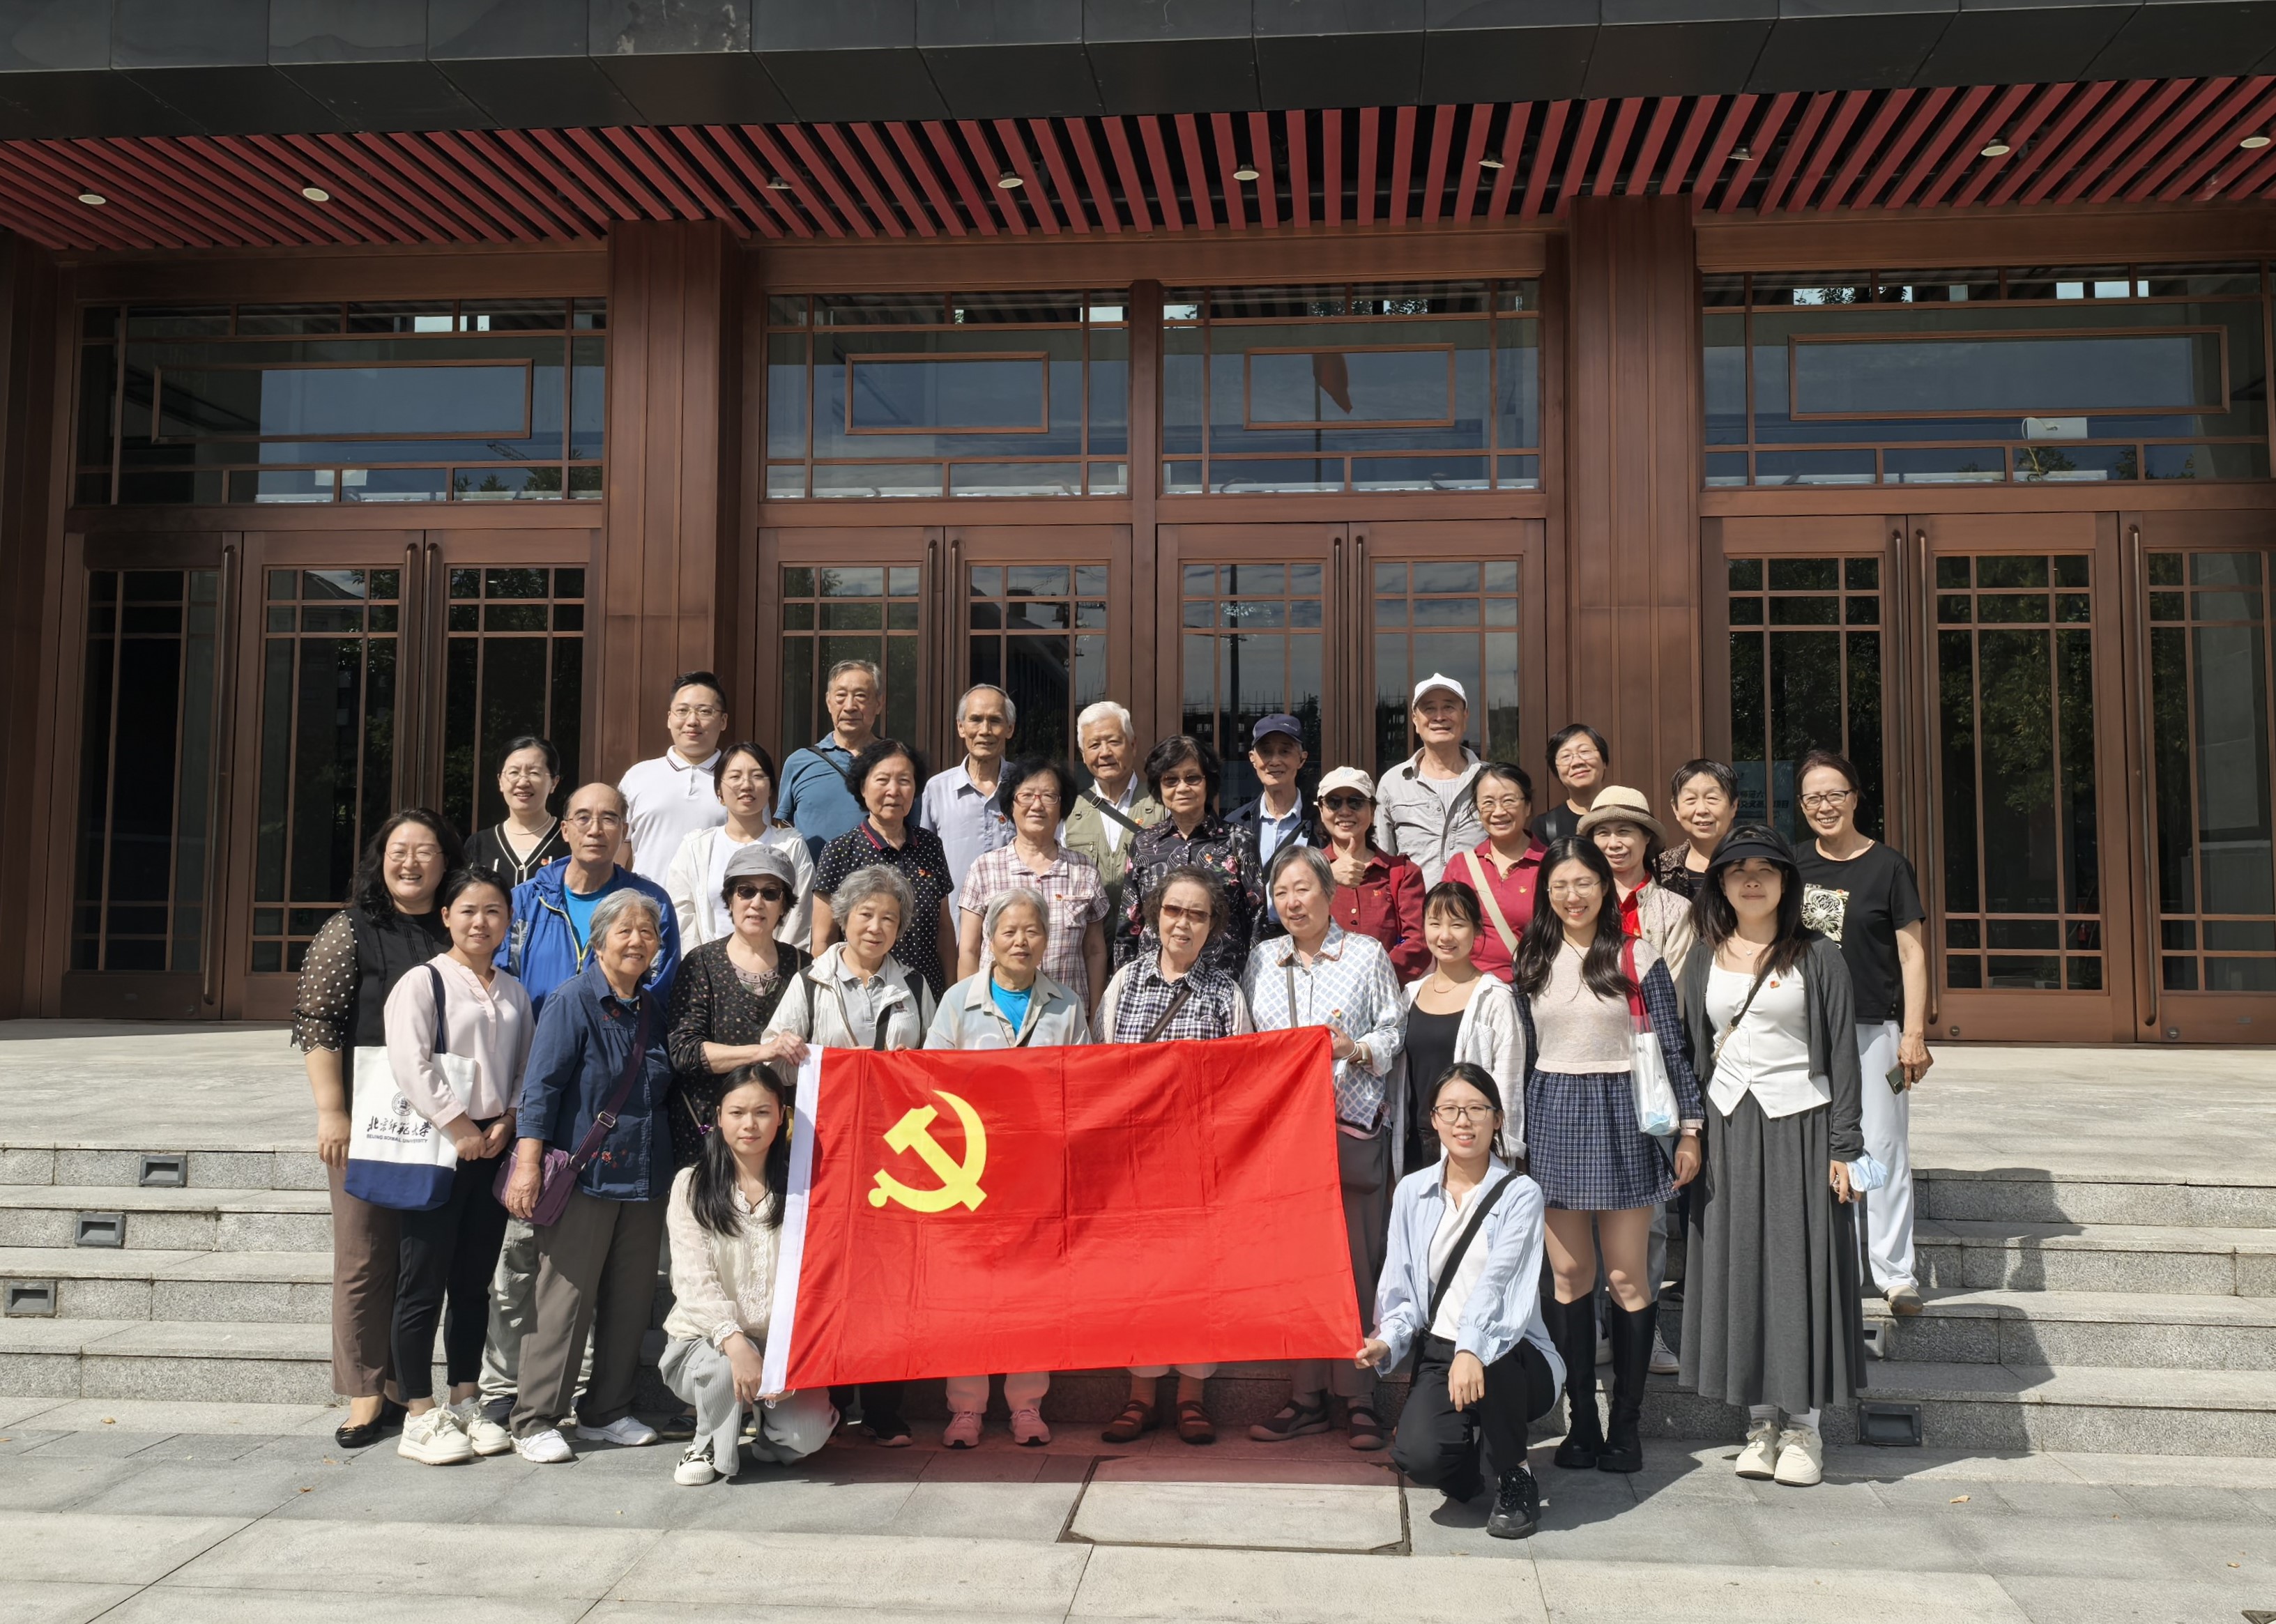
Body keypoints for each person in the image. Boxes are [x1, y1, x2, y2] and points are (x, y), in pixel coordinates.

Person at [479, 782, 678, 1430]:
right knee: (563, 1299)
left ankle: (608, 1409)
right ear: (598, 940)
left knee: (628, 1301)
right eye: (624, 931)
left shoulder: (653, 1010)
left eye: (647, 933)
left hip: (642, 1175)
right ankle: (536, 1417)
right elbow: (541, 1088)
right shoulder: (572, 1000)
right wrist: (527, 1164)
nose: (637, 941)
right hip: (584, 1173)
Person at [1678, 825, 1868, 1489]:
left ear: (1787, 882)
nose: (1750, 880)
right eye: (1737, 870)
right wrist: (1690, 1131)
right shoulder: (1703, 954)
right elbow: (1689, 1049)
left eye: (1765, 869)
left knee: (1798, 1269)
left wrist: (1845, 1147)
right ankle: (1759, 1422)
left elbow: (1843, 1055)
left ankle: (1805, 1427)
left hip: (1801, 1127)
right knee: (1741, 1269)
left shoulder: (1818, 954)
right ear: (1720, 884)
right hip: (1727, 1129)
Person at [1513, 838, 1702, 1476]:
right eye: (1560, 885)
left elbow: (1672, 1045)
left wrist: (1690, 1129)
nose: (1573, 896)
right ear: (1546, 893)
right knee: (1569, 1278)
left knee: (1626, 1278)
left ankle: (1626, 1422)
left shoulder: (1635, 953)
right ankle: (1581, 1421)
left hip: (1624, 1113)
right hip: (1553, 1112)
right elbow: (1519, 1054)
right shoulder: (1531, 958)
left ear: (1604, 887)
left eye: (1584, 883)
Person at [293, 808, 462, 1450]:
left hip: (444, 1116)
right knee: (364, 1254)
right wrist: (330, 1111)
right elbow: (317, 1021)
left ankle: (403, 1385)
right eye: (399, 850)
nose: (410, 862)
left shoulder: (460, 926)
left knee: (423, 1256)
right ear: (380, 860)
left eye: (425, 850)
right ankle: (366, 1388)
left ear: (446, 862)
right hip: (368, 1116)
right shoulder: (350, 929)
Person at [762, 863, 936, 1447]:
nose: (875, 927)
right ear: (843, 917)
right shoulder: (810, 982)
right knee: (834, 1275)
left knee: (890, 1281)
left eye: (889, 919)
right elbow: (771, 1056)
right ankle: (833, 1400)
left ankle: (885, 1408)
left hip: (897, 1158)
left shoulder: (915, 985)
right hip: (827, 1156)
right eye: (866, 914)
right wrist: (784, 1046)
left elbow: (935, 1067)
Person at [1242, 844, 1405, 1453]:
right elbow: (1248, 1041)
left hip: (1348, 1130)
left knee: (1356, 1265)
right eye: (1281, 891)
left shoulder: (1365, 955)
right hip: (1283, 1141)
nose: (1292, 902)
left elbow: (1394, 1029)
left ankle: (1359, 1398)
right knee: (1295, 1268)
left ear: (1328, 892)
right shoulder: (1262, 959)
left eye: (1302, 888)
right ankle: (1305, 1395)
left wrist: (1354, 1049)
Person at [1359, 1062, 1563, 1540]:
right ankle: (1473, 1461)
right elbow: (1403, 1289)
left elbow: (1500, 1286)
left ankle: (1515, 1476)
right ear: (1433, 1119)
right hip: (1441, 1352)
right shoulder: (1412, 1192)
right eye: (1449, 1109)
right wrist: (1387, 1340)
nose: (1462, 1121)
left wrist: (1471, 1349)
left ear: (1498, 1119)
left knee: (1493, 1351)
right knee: (1419, 1458)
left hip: (1514, 1356)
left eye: (1476, 1109)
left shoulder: (1521, 1194)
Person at [926, 887, 1093, 1449]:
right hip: (969, 1173)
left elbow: (1082, 1084)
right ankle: (965, 1409)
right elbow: (931, 1079)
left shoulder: (1066, 1005)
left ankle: (1026, 1405)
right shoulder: (958, 1001)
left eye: (1032, 931)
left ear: (1047, 940)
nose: (1021, 941)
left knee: (1031, 1292)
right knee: (968, 1291)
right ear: (990, 940)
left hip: (1036, 1175)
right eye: (1009, 931)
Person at [1097, 866, 1255, 1446]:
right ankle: (1139, 1396)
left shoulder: (1225, 993)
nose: (1182, 924)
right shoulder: (1125, 982)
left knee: (1195, 1277)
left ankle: (1191, 1397)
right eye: (1173, 911)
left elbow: (1240, 1080)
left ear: (1212, 926)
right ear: (1153, 916)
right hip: (1134, 1161)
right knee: (1139, 1278)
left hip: (1197, 1162)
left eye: (1196, 914)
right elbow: (1100, 1066)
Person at [383, 868, 533, 1464]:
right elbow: (408, 1062)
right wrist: (458, 1124)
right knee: (421, 1282)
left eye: (493, 911)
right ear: (446, 916)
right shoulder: (423, 983)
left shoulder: (514, 990)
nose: (480, 922)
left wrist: (509, 1120)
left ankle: (466, 1398)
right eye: (468, 910)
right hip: (437, 1146)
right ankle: (419, 1413)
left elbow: (525, 1065)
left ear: (508, 920)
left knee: (473, 1284)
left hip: (491, 1148)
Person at [1793, 749, 1931, 1318]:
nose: (1824, 805)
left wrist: (1913, 1033)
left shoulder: (1888, 866)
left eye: (1834, 794)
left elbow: (1911, 954)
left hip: (1875, 1028)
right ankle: (1838, 1267)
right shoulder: (1793, 864)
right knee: (1825, 1147)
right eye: (1812, 797)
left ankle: (1894, 1273)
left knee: (1883, 1145)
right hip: (1806, 1030)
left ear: (1854, 798)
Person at [661, 1064, 836, 1485]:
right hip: (706, 1341)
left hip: (783, 1344)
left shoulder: (805, 1187)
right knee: (723, 1369)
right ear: (719, 1116)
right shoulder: (692, 1185)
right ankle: (704, 1442)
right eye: (737, 1112)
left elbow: (819, 1278)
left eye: (762, 1112)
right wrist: (736, 1343)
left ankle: (760, 1431)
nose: (749, 1125)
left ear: (782, 1117)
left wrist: (787, 1357)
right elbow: (693, 1280)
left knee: (806, 1437)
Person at [665, 843, 811, 1170]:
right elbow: (685, 1051)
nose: (757, 903)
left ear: (784, 905)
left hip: (780, 1138)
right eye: (746, 891)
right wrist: (764, 1051)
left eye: (770, 893)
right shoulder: (701, 963)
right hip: (707, 1133)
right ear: (730, 899)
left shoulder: (804, 966)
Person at [501, 782, 681, 1017]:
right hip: (534, 1036)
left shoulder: (651, 902)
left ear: (624, 831)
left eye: (608, 819)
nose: (595, 830)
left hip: (620, 1037)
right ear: (565, 830)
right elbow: (502, 982)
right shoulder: (525, 901)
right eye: (583, 818)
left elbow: (659, 991)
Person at [1393, 881, 1527, 1177]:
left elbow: (1509, 1082)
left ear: (1477, 929)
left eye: (1457, 924)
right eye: (1435, 923)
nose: (1445, 935)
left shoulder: (1495, 998)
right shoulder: (1410, 994)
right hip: (1415, 1142)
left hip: (1470, 1145)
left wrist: (1505, 1154)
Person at [956, 757, 1109, 1009]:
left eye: (1049, 796)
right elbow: (969, 950)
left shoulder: (1084, 871)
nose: (1037, 805)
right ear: (1011, 804)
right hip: (996, 1014)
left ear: (1063, 806)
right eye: (1026, 796)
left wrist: (1094, 1014)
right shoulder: (984, 868)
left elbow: (1095, 951)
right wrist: (968, 1013)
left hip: (1066, 1014)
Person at [812, 739, 956, 999]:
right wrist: (825, 996)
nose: (894, 790)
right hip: (859, 994)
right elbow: (823, 938)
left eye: (904, 780)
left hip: (926, 992)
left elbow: (944, 928)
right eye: (882, 780)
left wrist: (952, 992)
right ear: (862, 787)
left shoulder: (930, 846)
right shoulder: (840, 850)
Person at [1115, 735, 1263, 979]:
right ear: (1159, 786)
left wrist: (1253, 983)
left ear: (1208, 782)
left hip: (1222, 984)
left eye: (1192, 778)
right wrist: (1124, 983)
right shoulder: (1144, 843)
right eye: (1171, 780)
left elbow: (1257, 920)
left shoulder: (1238, 840)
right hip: (1152, 985)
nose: (1182, 788)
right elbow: (1128, 924)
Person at [664, 741, 816, 952]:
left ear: (771, 788)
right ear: (719, 791)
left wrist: (782, 964)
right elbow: (682, 917)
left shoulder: (791, 846)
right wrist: (701, 965)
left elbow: (799, 917)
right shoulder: (695, 848)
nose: (746, 785)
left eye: (757, 776)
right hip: (708, 966)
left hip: (776, 965)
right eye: (735, 777)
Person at [617, 671, 731, 887]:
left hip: (716, 906)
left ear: (723, 721)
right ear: (669, 718)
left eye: (704, 711)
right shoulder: (638, 777)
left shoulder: (740, 782)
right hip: (646, 904)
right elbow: (618, 855)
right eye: (682, 711)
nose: (692, 721)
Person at [1316, 767, 1428, 981]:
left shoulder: (1402, 873)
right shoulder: (1306, 870)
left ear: (1373, 810)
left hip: (1384, 989)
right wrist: (1325, 876)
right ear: (1321, 810)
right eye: (1334, 802)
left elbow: (1417, 942)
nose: (1345, 811)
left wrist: (1371, 979)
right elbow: (1292, 918)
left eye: (1355, 802)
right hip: (1322, 990)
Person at [1373, 674, 1486, 885]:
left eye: (1449, 707)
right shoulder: (1394, 783)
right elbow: (1383, 858)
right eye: (1429, 709)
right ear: (1415, 720)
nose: (1440, 717)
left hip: (1479, 905)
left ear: (1465, 716)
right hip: (1414, 905)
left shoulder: (1490, 780)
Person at [1062, 700, 1163, 928]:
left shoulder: (1162, 803)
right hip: (1088, 941)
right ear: (1083, 754)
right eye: (1094, 745)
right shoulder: (1069, 811)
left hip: (1150, 940)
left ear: (1133, 745)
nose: (1105, 753)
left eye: (1114, 742)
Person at [919, 683, 1016, 916]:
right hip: (954, 928)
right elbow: (924, 867)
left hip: (1015, 928)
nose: (985, 730)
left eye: (995, 720)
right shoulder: (937, 789)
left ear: (1010, 729)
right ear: (961, 727)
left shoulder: (1026, 787)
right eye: (976, 720)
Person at [1580, 785, 1696, 979]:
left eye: (1624, 831)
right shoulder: (1579, 903)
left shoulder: (1677, 910)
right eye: (1603, 833)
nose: (1613, 844)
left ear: (1647, 836)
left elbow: (1676, 986)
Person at [778, 658, 884, 860]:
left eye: (861, 696)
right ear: (828, 702)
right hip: (813, 879)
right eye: (841, 696)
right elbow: (783, 828)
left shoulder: (897, 762)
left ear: (879, 703)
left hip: (880, 879)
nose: (850, 706)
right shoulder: (799, 762)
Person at [1451, 762, 1545, 986]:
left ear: (1528, 807)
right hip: (1472, 991)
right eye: (1488, 803)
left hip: (1532, 990)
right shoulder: (1460, 866)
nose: (1499, 811)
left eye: (1509, 801)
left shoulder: (1552, 865)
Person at [1226, 713, 1313, 928]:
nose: (1275, 761)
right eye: (1266, 752)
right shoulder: (1235, 824)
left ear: (1302, 758)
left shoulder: (1320, 821)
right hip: (1252, 939)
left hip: (1309, 935)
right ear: (1252, 758)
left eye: (1285, 751)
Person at [465, 735, 569, 891]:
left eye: (534, 773)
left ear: (554, 782)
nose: (523, 782)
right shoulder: (479, 844)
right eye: (514, 772)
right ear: (500, 781)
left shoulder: (570, 841)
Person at [1656, 759, 1739, 901]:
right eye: (1691, 799)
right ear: (1675, 809)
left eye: (1712, 798)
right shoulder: (1659, 870)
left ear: (1733, 806)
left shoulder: (1752, 864)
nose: (1701, 810)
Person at [1536, 723, 1610, 846]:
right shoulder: (1546, 826)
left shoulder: (1628, 813)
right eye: (1566, 757)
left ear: (1604, 761)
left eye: (1585, 752)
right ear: (1556, 770)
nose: (1577, 762)